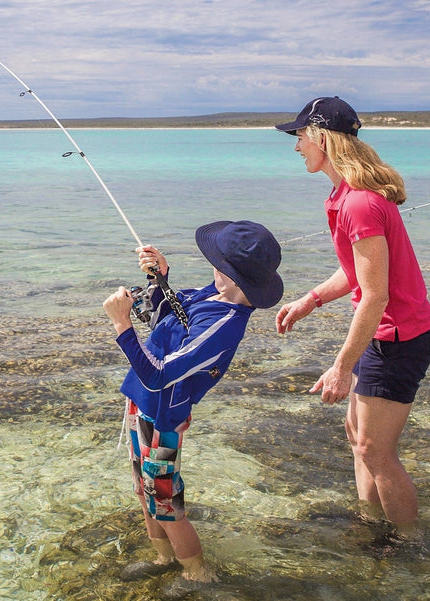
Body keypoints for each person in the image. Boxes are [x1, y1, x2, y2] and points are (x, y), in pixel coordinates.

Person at [273, 97, 430, 540]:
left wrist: (341, 366)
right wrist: (311, 300)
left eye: (301, 136)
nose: (296, 147)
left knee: (374, 450)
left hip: (400, 336)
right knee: (356, 436)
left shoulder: (360, 205)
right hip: (388, 333)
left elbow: (376, 296)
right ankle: (370, 524)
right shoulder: (344, 196)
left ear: (322, 137)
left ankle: (408, 542)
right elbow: (356, 272)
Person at [102, 220, 283, 596]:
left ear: (237, 278)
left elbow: (160, 374)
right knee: (144, 490)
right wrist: (161, 278)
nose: (213, 268)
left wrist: (121, 325)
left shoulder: (226, 324)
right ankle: (162, 559)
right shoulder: (214, 294)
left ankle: (198, 575)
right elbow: (170, 314)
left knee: (165, 501)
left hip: (164, 415)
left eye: (219, 265)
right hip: (142, 403)